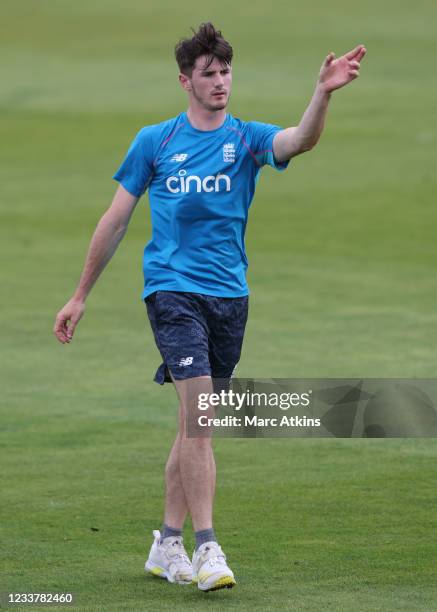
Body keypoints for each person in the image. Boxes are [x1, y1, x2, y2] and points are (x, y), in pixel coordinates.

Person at [54, 22, 366, 592]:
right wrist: (80, 294)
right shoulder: (155, 141)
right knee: (200, 418)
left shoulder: (246, 138)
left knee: (193, 424)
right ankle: (208, 548)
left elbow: (300, 140)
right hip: (171, 292)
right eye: (209, 73)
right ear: (185, 81)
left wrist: (322, 92)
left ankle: (165, 544)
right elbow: (116, 219)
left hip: (229, 298)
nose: (220, 81)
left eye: (225, 71)